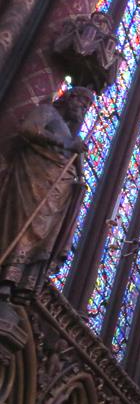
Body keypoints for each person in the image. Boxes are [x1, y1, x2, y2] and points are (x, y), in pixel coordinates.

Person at [0, 88, 92, 297]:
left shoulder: (70, 132)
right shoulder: (47, 112)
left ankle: (26, 280)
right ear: (69, 98)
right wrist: (66, 143)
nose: (83, 108)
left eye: (87, 106)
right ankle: (8, 272)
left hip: (59, 192)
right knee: (24, 224)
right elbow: (29, 129)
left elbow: (76, 165)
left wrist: (78, 162)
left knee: (46, 234)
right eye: (82, 102)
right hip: (36, 179)